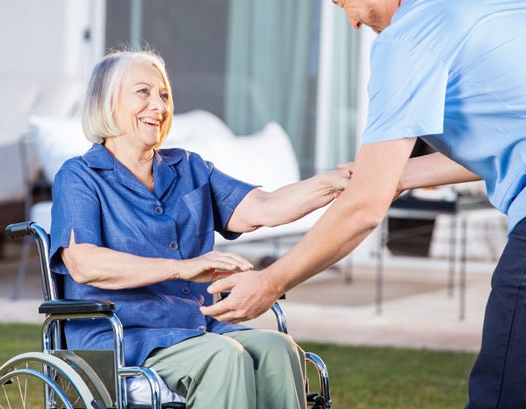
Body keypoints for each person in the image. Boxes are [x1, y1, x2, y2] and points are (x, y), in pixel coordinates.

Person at [202, 1, 526, 408]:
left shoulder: (407, 40)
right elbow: (504, 130)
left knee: (501, 396)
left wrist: (270, 283)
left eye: (345, 3)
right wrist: (396, 176)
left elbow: (363, 210)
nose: (353, 22)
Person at [49, 49, 349, 409]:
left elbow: (265, 207)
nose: (158, 106)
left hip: (198, 327)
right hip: (124, 340)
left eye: (163, 95)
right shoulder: (79, 177)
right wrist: (181, 267)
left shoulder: (189, 168)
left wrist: (333, 184)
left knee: (278, 348)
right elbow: (85, 263)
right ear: (107, 102)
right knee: (224, 357)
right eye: (142, 92)